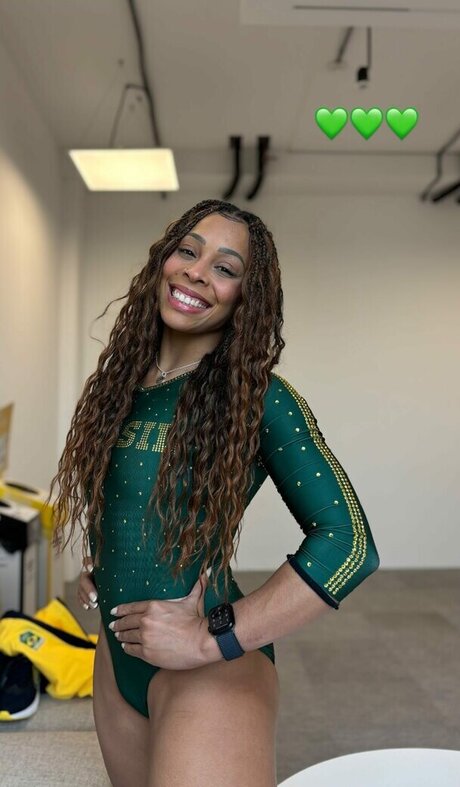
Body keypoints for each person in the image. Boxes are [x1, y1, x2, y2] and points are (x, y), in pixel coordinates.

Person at [48, 199, 380, 787]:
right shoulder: (121, 384)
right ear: (163, 260)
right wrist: (104, 563)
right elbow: (130, 497)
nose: (198, 272)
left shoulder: (260, 397)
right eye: (188, 251)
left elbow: (349, 544)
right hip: (117, 656)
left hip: (208, 668)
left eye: (225, 268)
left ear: (244, 298)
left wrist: (211, 637)